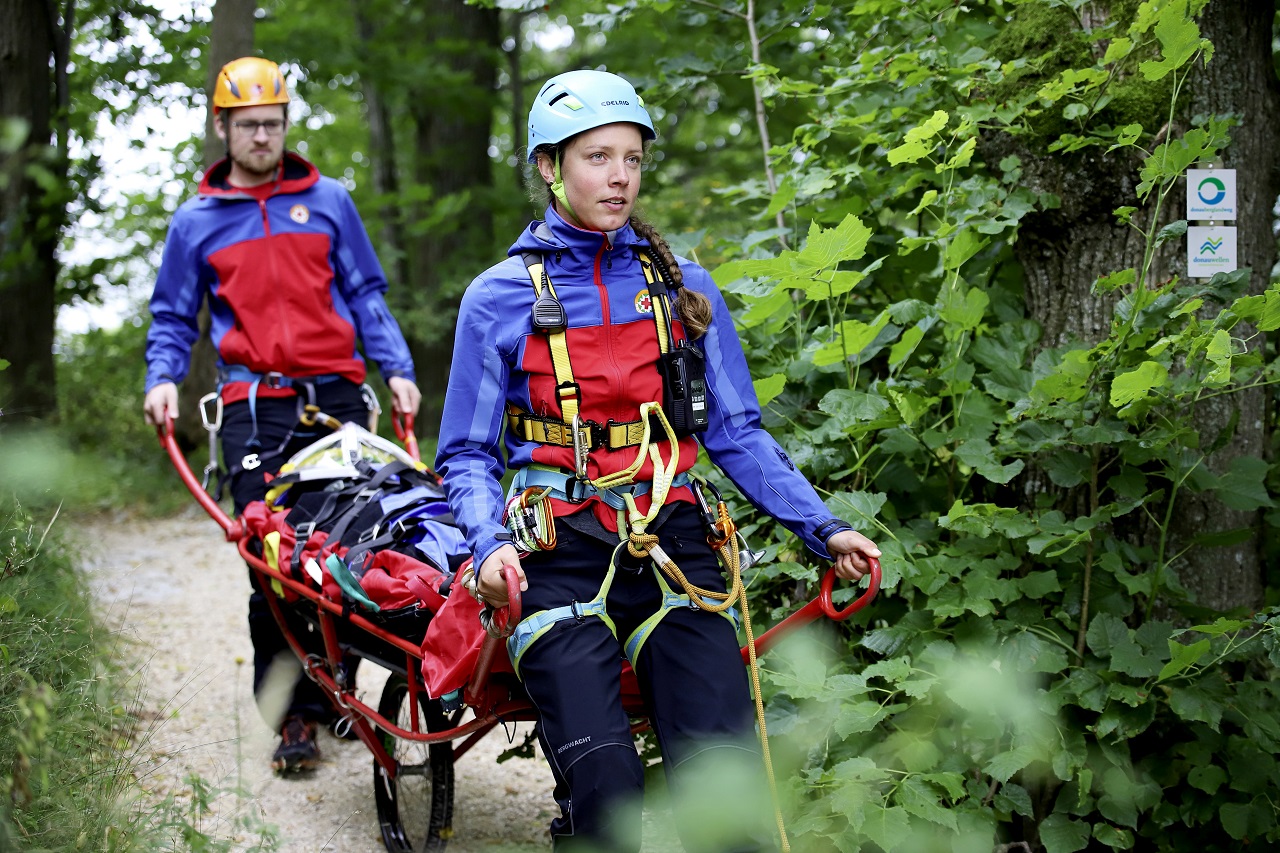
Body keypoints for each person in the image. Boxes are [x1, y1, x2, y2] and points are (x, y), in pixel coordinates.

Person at [435, 69, 881, 852]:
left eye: (633, 159)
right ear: (549, 166)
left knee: (724, 777)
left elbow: (737, 432)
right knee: (607, 784)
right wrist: (488, 544)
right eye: (597, 157)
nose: (619, 177)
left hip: (672, 543)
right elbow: (467, 453)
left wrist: (824, 527)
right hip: (558, 556)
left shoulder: (682, 289)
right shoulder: (499, 296)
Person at [142, 56, 421, 774]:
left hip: (334, 399)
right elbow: (174, 315)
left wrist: (398, 370)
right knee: (268, 558)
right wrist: (163, 378)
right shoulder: (195, 222)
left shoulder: (329, 201)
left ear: (286, 125)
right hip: (252, 407)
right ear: (223, 127)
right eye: (248, 125)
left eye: (273, 123)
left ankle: (338, 689)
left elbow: (365, 293)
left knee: (345, 545)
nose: (263, 136)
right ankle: (291, 712)